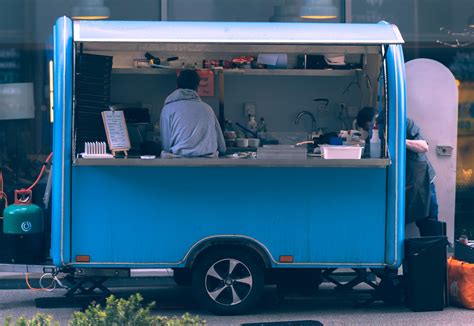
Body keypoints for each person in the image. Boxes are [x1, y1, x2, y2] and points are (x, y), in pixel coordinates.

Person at [160, 69, 226, 158]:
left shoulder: (168, 109)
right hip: (209, 165)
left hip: (177, 165)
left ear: (177, 86)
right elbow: (222, 147)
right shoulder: (207, 109)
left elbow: (166, 145)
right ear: (197, 87)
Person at [405, 117, 439, 236]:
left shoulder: (405, 122)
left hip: (422, 180)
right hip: (406, 181)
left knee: (428, 217)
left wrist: (400, 140)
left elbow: (424, 147)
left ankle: (433, 250)